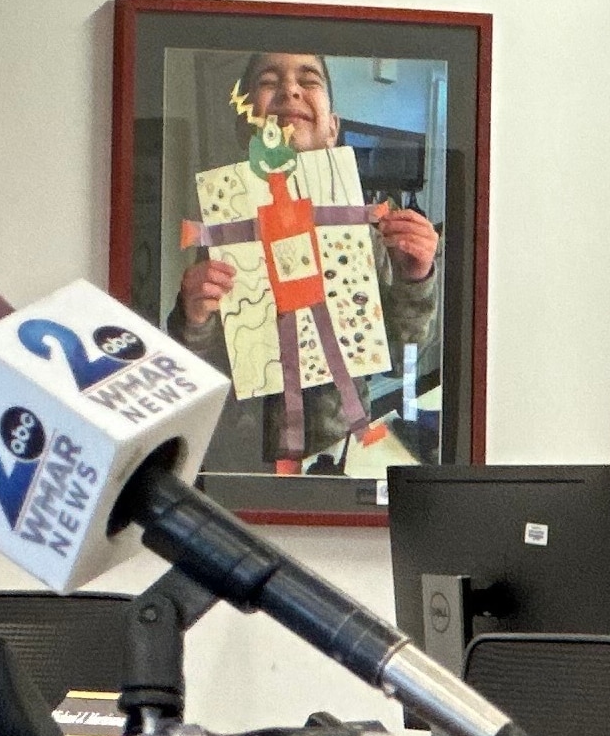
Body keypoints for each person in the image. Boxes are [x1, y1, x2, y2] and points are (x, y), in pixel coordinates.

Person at [166, 51, 442, 469]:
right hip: (244, 454)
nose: (290, 89)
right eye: (268, 80)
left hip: (338, 450)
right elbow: (203, 372)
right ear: (246, 124)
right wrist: (194, 322)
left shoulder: (362, 236)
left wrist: (416, 276)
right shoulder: (229, 233)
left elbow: (403, 342)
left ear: (333, 128)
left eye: (309, 79)